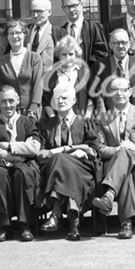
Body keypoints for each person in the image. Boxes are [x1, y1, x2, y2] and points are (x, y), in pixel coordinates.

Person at [91, 76, 135, 240]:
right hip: (115, 166)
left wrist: (133, 147)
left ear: (130, 91)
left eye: (123, 89)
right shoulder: (102, 118)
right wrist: (119, 150)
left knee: (126, 154)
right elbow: (100, 149)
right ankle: (126, 224)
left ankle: (109, 196)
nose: (119, 93)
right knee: (125, 172)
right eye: (114, 90)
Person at [36, 83, 99, 241]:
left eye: (65, 98)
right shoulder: (46, 125)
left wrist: (75, 150)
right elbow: (41, 153)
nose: (61, 101)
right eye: (57, 98)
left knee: (63, 160)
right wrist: (63, 152)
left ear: (74, 100)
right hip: (55, 169)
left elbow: (94, 150)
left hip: (82, 170)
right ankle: (74, 221)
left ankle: (56, 213)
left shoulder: (85, 123)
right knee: (60, 159)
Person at [0, 85, 42, 242]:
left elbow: (35, 148)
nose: (8, 105)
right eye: (3, 101)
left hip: (24, 165)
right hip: (1, 165)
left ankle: (24, 226)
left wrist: (9, 147)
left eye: (11, 101)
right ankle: (4, 226)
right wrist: (18, 155)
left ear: (17, 101)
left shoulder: (28, 122)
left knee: (22, 173)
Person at [54, 0, 109, 90]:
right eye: (68, 6)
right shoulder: (60, 32)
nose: (72, 10)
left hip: (91, 83)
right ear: (63, 8)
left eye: (75, 5)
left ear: (82, 4)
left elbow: (102, 56)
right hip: (67, 85)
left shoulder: (94, 28)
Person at [0, 17, 44, 120]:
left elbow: (38, 84)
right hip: (8, 112)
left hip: (31, 112)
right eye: (11, 33)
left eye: (18, 33)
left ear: (24, 34)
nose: (15, 36)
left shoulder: (34, 58)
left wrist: (33, 108)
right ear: (7, 37)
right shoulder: (2, 61)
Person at [42, 35, 94, 117]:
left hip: (80, 121)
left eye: (71, 54)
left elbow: (91, 99)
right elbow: (46, 101)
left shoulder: (85, 73)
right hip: (57, 123)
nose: (68, 57)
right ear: (59, 55)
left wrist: (86, 119)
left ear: (76, 55)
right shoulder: (51, 76)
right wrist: (53, 119)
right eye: (64, 54)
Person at [101, 29, 135, 108]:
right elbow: (98, 95)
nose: (121, 46)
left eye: (124, 42)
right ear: (110, 45)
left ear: (129, 44)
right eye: (116, 43)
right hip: (110, 115)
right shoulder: (101, 66)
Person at [27, 0, 56, 70]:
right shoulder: (26, 31)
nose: (36, 15)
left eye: (40, 12)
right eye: (33, 12)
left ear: (49, 12)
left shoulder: (56, 33)